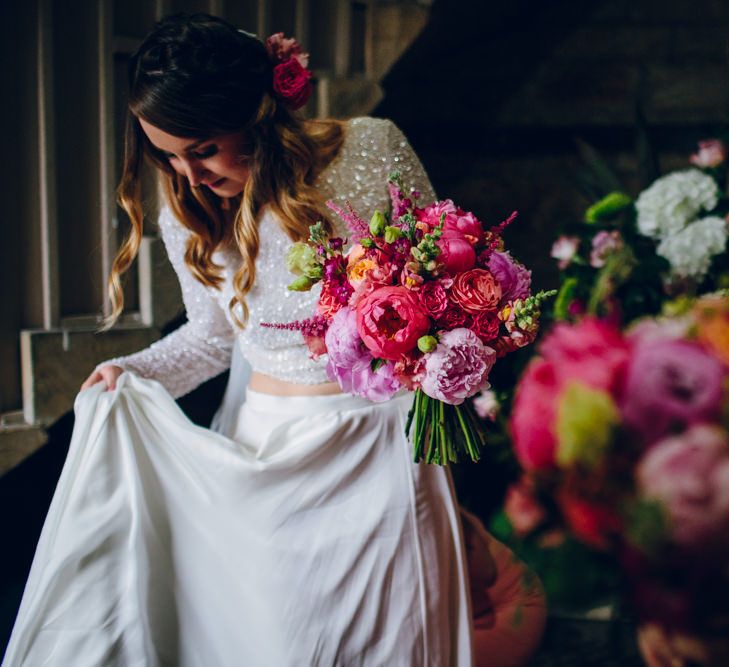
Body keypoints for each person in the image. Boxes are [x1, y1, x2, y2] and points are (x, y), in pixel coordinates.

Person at [3, 13, 474, 666]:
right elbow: (209, 340)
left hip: (377, 444)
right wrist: (131, 370)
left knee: (389, 641)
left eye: (201, 148)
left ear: (257, 112)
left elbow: (444, 273)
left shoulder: (370, 148)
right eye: (166, 155)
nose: (187, 173)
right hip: (266, 453)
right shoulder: (188, 209)